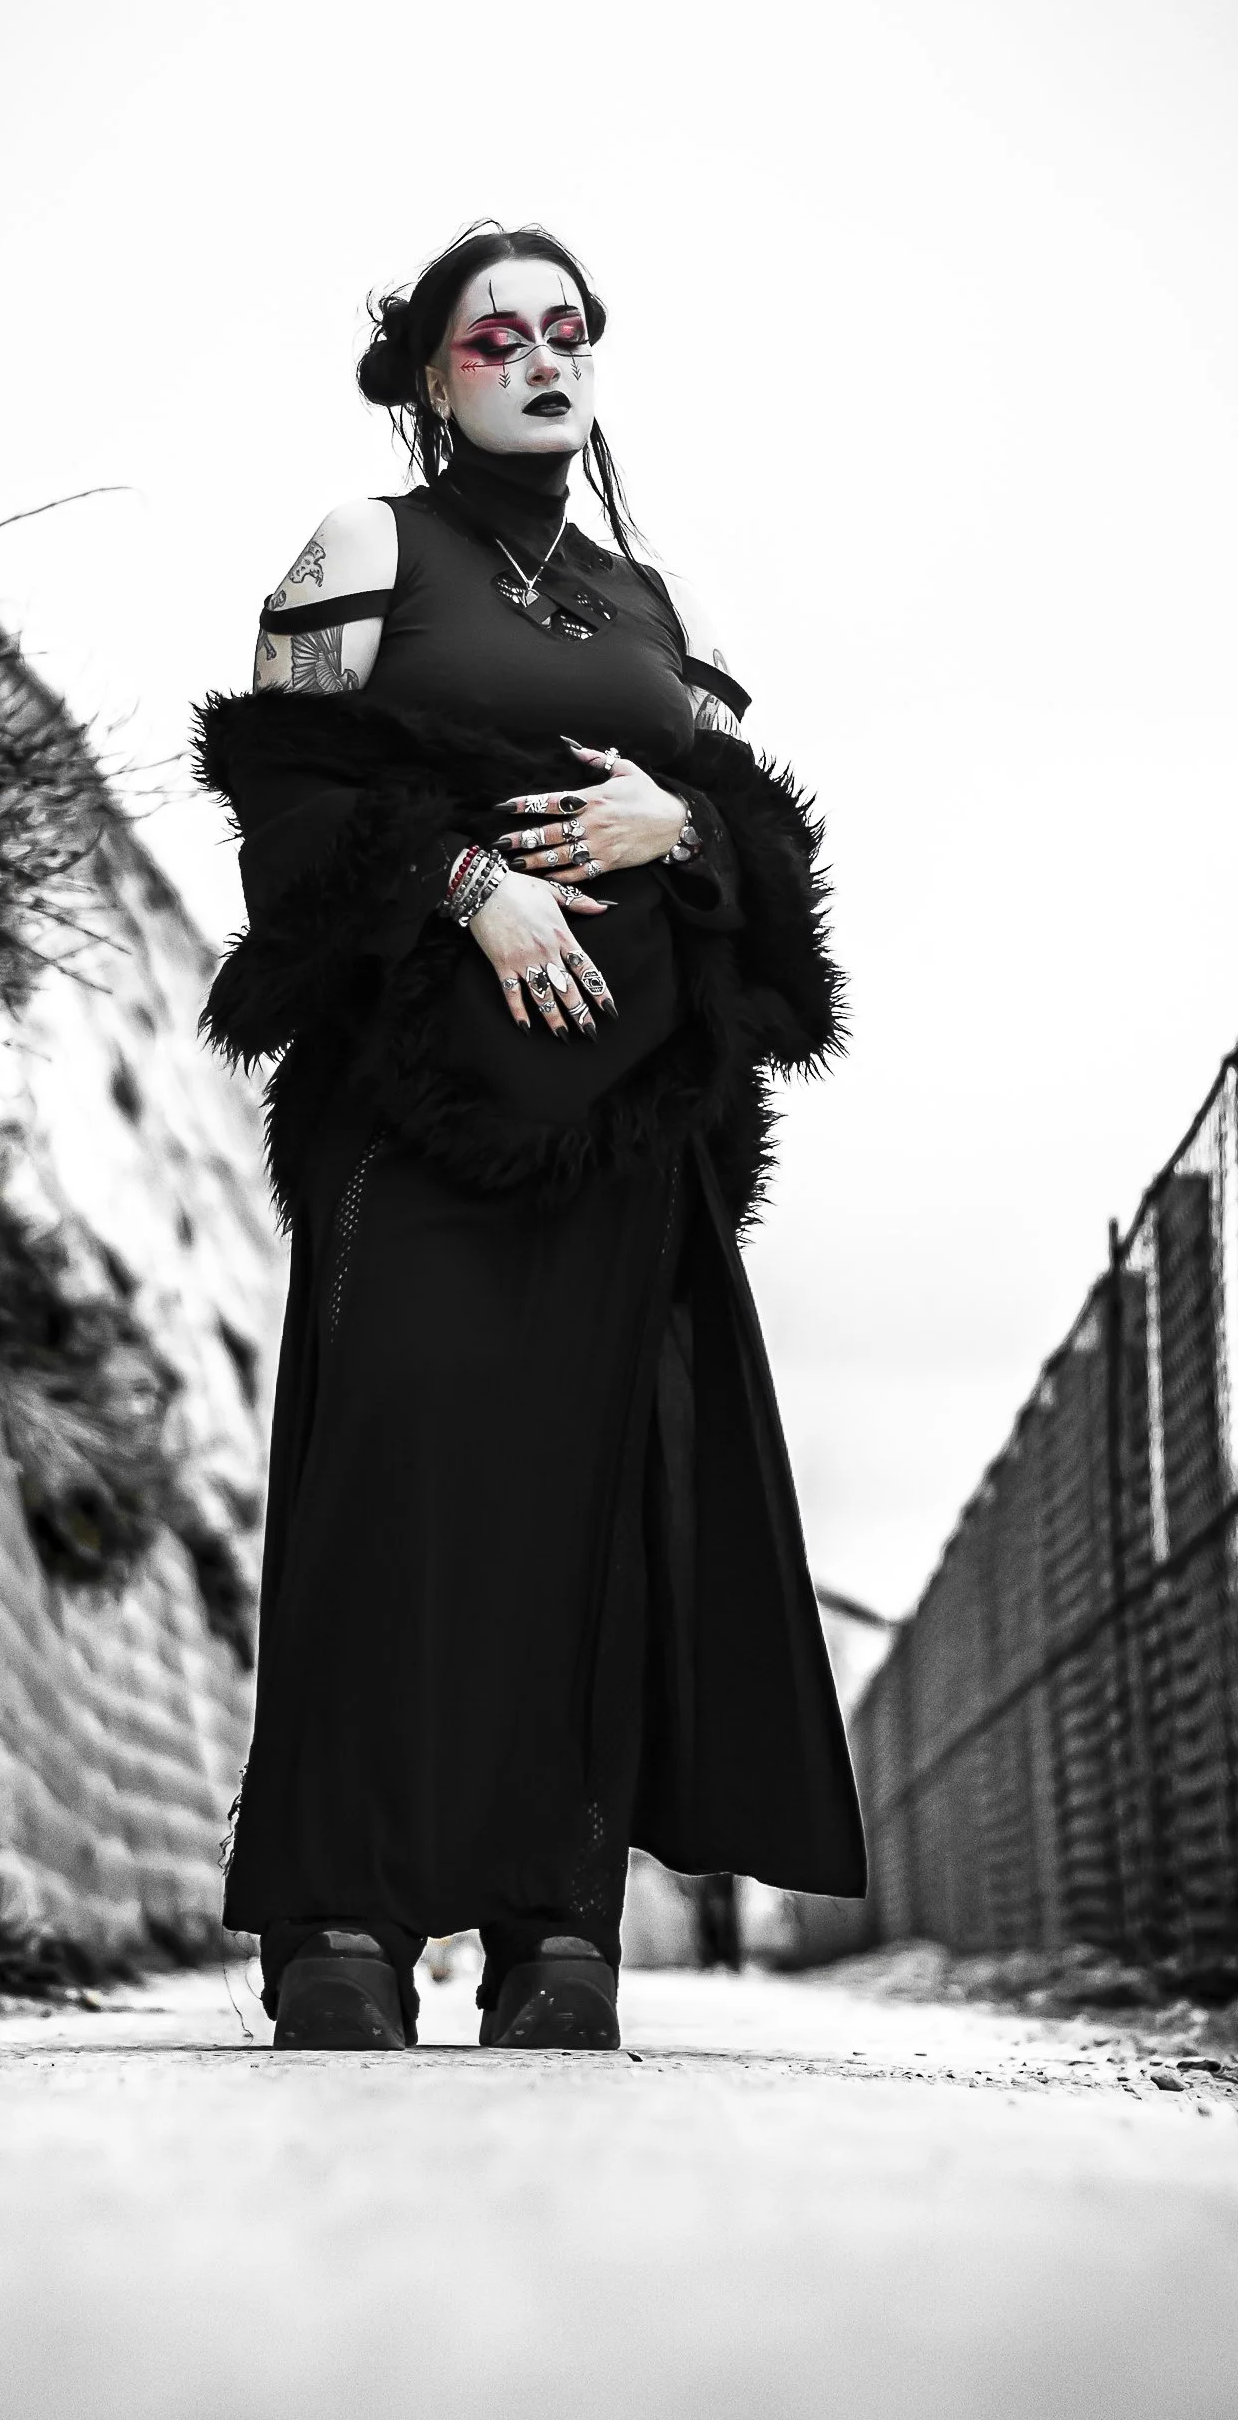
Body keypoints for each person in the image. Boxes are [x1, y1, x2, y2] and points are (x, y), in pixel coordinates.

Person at [197, 223, 864, 2051]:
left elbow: (755, 840)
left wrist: (684, 836)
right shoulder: (365, 545)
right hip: (416, 1105)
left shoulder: (655, 602)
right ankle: (341, 1916)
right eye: (498, 337)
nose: (543, 360)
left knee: (590, 1510)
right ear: (431, 374)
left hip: (626, 1129)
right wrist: (465, 883)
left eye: (569, 331)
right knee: (396, 1473)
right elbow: (282, 795)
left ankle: (553, 1930)